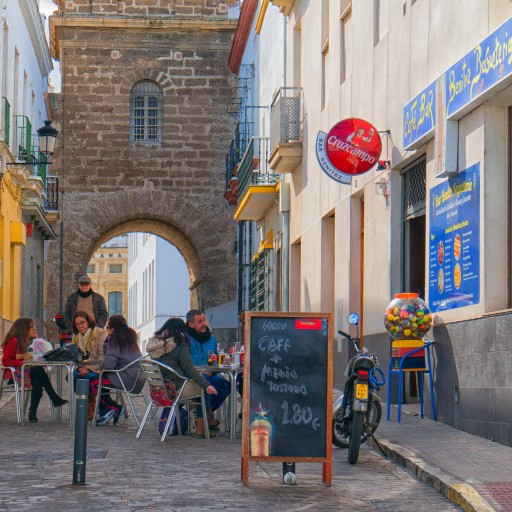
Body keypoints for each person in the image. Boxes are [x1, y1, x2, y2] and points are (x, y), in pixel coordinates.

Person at [152, 318, 218, 438]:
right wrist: (206, 385)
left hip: (161, 389)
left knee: (203, 381)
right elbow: (190, 370)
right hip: (178, 388)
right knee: (205, 383)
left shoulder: (156, 347)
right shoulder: (178, 344)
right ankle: (201, 427)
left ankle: (197, 413)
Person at [1, 318, 68, 423]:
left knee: (38, 381)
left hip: (26, 372)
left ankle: (33, 413)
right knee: (38, 370)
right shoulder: (13, 341)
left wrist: (37, 341)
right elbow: (6, 361)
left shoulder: (29, 341)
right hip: (14, 375)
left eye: (34, 326)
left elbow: (38, 355)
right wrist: (23, 363)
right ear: (23, 328)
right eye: (31, 327)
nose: (35, 329)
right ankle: (53, 398)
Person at [91, 315, 145, 426]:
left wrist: (97, 368)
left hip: (125, 380)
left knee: (93, 381)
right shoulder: (130, 339)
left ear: (112, 329)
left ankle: (113, 408)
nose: (106, 330)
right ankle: (107, 410)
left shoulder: (114, 340)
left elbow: (108, 366)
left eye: (107, 327)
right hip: (137, 380)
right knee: (100, 379)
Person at [186, 309, 230, 430]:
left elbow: (214, 360)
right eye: (200, 322)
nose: (204, 323)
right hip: (191, 378)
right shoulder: (185, 339)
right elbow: (184, 364)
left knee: (225, 385)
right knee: (206, 383)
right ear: (191, 324)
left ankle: (204, 412)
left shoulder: (211, 339)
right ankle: (204, 419)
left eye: (204, 320)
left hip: (210, 375)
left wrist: (223, 361)